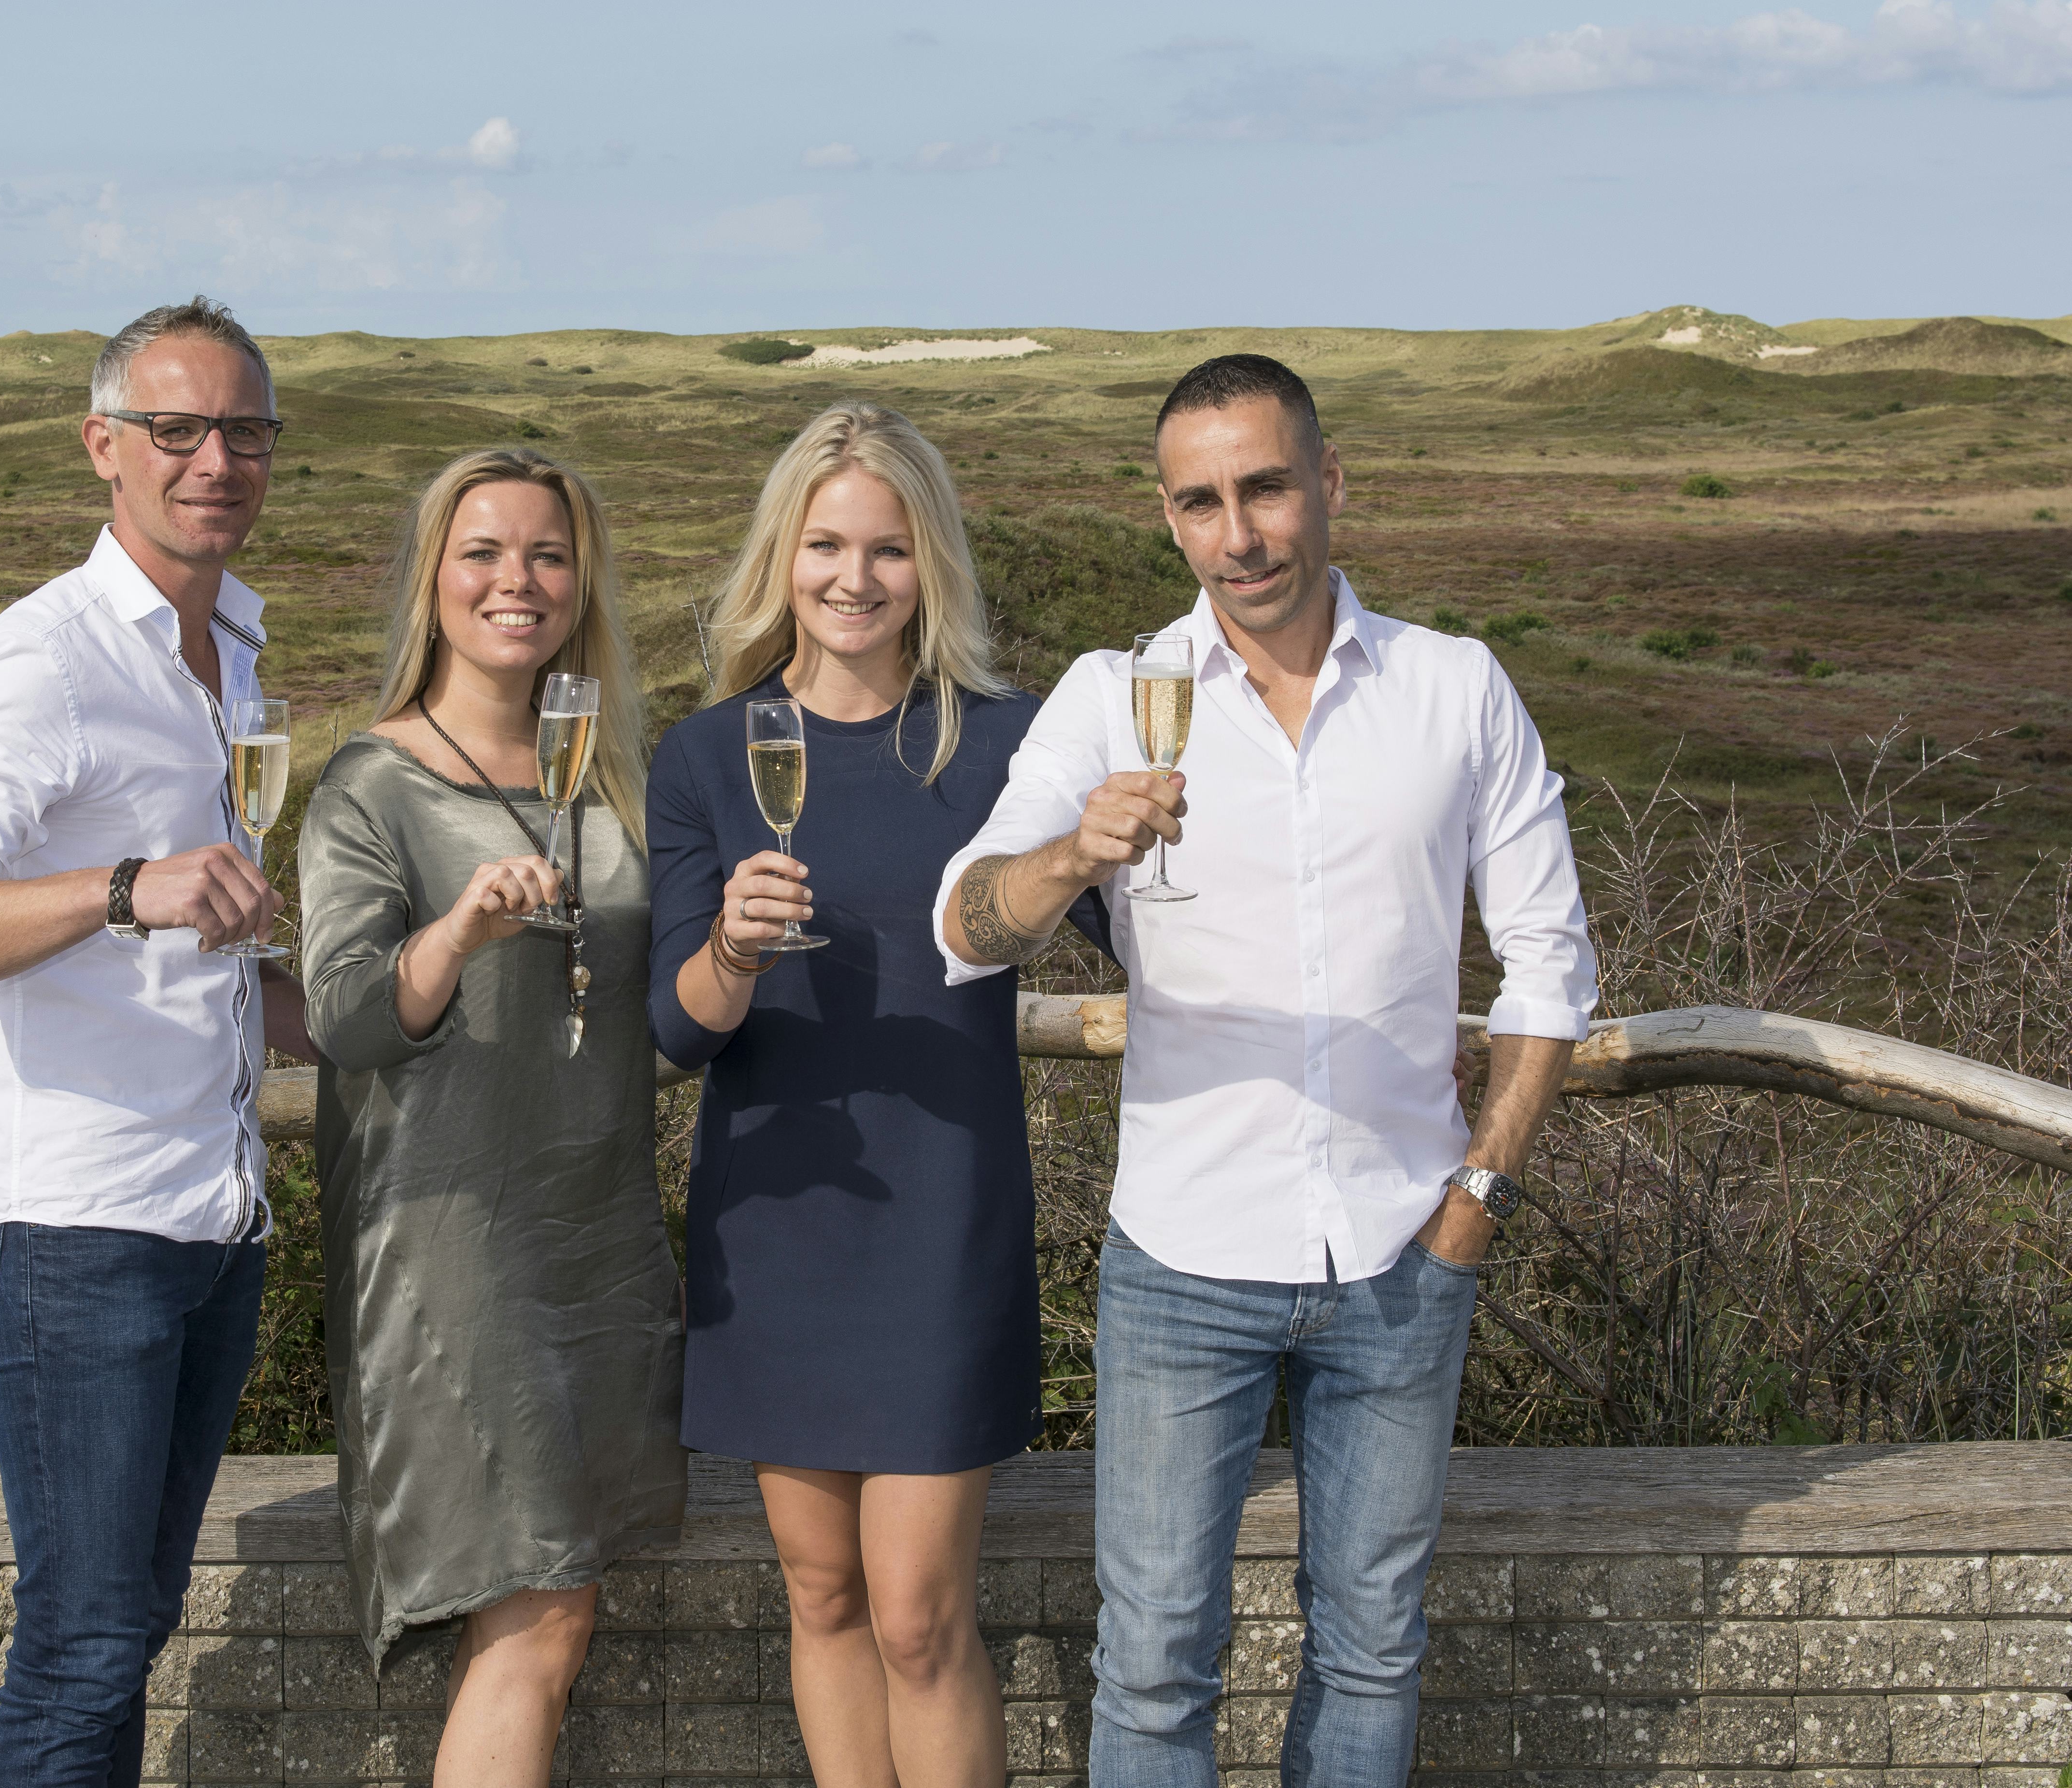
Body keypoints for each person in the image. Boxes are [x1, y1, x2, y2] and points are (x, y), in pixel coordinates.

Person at [934, 354, 1596, 1788]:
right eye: (1199, 503)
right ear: (1170, 521)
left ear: (1328, 484)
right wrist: (1070, 857)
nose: (1237, 533)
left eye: (1264, 488)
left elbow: (1550, 964)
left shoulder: (1453, 688)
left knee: (1371, 1646)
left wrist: (1477, 1193)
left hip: (1403, 1253)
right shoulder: (1116, 696)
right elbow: (962, 922)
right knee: (1156, 1658)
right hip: (1181, 1257)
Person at [0, 295, 312, 1788]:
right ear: (103, 448)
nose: (215, 463)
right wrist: (128, 887)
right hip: (73, 1230)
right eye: (176, 431)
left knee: (130, 1625)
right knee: (83, 1639)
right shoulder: (45, 660)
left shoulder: (233, 649)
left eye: (244, 432)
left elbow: (210, 969)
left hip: (212, 1216)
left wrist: (405, 1000)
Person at [647, 403, 1107, 1788]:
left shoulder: (1009, 742)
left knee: (916, 1612)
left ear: (934, 564)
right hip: (778, 1223)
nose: (854, 578)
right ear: (781, 554)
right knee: (823, 1596)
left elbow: (1156, 929)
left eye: (889, 550)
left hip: (941, 1223)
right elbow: (678, 1032)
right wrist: (729, 946)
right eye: (827, 544)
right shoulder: (699, 755)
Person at [296, 447, 685, 1786]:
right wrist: (456, 931)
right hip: (453, 1245)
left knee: (556, 1608)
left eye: (547, 554)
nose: (515, 581)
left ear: (582, 585)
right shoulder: (372, 785)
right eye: (482, 552)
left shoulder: (620, 779)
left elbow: (671, 1009)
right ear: (431, 579)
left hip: (602, 1235)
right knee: (535, 1603)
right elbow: (342, 1019)